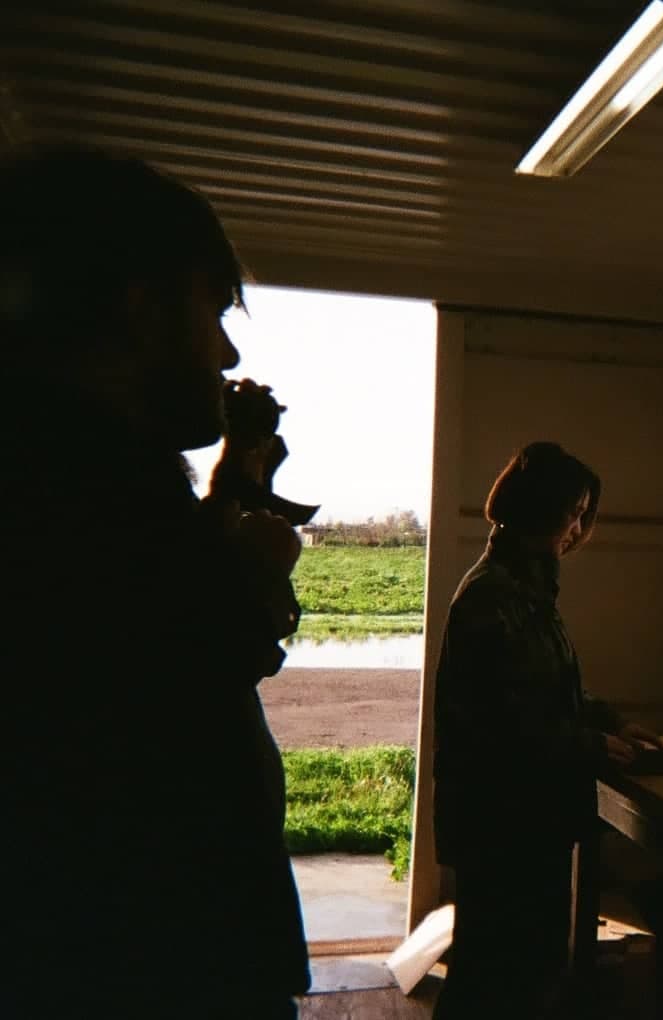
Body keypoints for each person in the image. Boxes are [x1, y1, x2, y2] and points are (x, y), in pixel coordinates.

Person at [0, 148, 309, 1016]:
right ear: (140, 310)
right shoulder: (71, 492)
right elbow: (186, 663)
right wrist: (257, 567)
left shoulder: (79, 471)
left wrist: (232, 489)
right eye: (210, 314)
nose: (226, 349)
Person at [432, 442, 663, 1018]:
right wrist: (591, 745)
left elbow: (549, 689)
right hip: (501, 822)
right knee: (495, 977)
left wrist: (612, 722)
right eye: (572, 511)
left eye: (585, 513)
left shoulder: (529, 586)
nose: (578, 527)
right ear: (539, 509)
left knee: (516, 969)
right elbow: (502, 726)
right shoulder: (494, 595)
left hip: (525, 818)